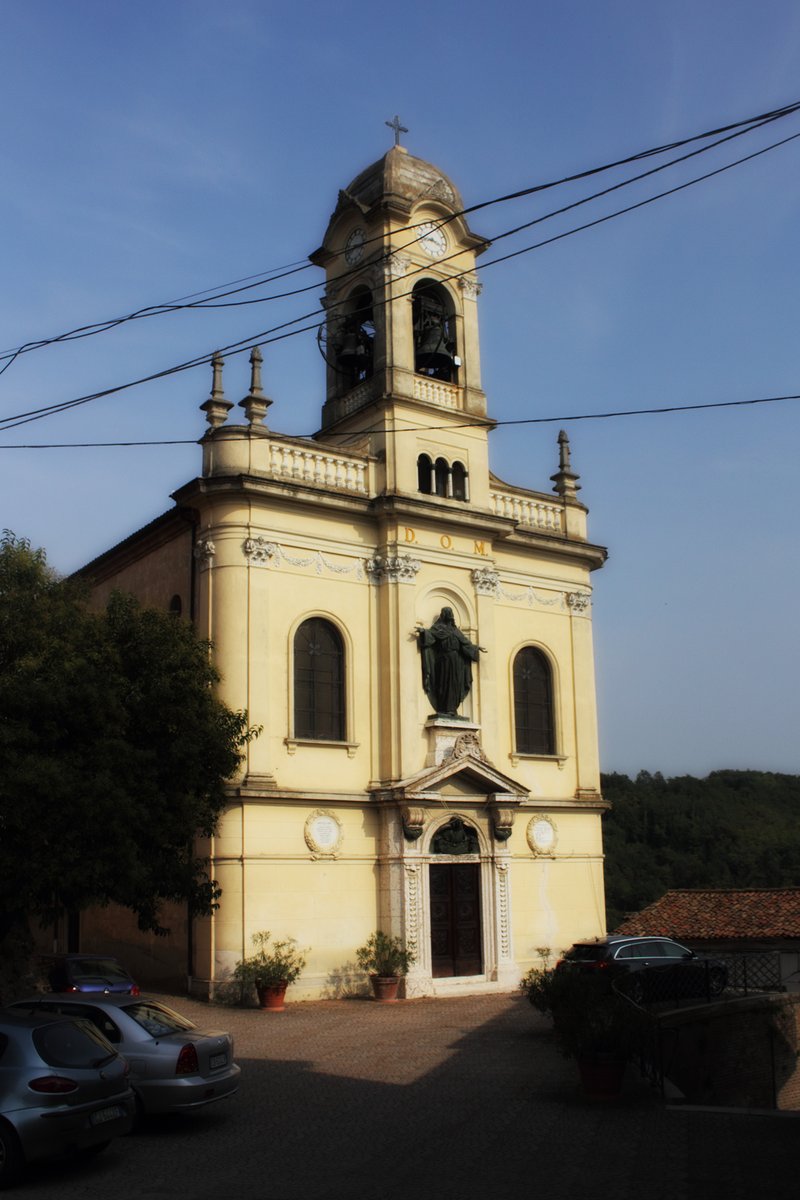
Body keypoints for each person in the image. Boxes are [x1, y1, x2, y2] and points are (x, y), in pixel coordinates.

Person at [416, 607, 482, 716]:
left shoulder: (455, 631)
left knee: (455, 683)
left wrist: (475, 648)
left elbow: (465, 643)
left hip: (456, 661)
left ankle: (452, 708)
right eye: (447, 613)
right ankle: (443, 708)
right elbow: (431, 635)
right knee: (444, 682)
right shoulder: (438, 628)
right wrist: (423, 632)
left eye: (450, 613)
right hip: (444, 660)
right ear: (443, 615)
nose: (449, 615)